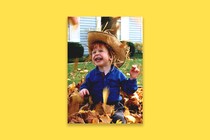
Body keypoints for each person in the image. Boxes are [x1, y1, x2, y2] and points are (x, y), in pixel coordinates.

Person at [79, 31, 140, 123]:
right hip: (97, 106)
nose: (96, 53)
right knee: (90, 119)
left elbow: (128, 89)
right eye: (93, 52)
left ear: (110, 57)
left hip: (115, 105)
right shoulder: (92, 74)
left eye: (100, 51)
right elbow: (86, 84)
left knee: (119, 119)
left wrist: (132, 78)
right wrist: (83, 89)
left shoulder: (118, 74)